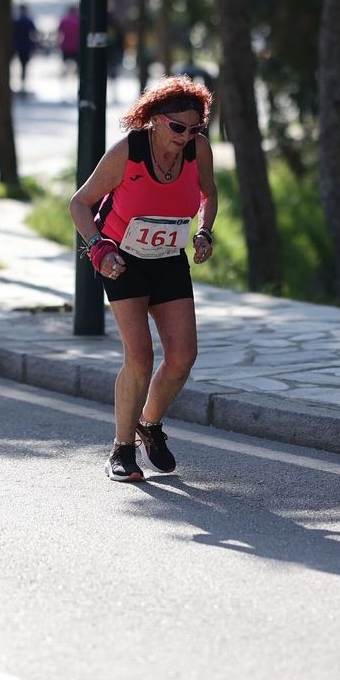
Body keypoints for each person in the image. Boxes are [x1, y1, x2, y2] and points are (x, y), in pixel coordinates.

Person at [69, 77, 218, 482]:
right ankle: (121, 449)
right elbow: (80, 203)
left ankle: (149, 424)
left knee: (183, 356)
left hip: (169, 258)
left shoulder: (196, 150)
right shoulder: (129, 152)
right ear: (154, 120)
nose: (186, 137)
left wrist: (204, 232)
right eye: (177, 128)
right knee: (140, 356)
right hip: (123, 260)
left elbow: (209, 193)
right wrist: (98, 247)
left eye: (194, 129)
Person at [12, 5, 39, 90]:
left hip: (19, 46)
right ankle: (22, 80)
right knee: (24, 64)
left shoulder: (17, 21)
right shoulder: (28, 21)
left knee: (22, 64)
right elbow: (34, 33)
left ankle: (22, 81)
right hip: (26, 46)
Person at [56, 4, 81, 75]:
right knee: (77, 62)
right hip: (76, 46)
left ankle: (67, 72)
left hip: (66, 45)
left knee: (66, 61)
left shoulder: (64, 20)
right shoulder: (78, 20)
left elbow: (59, 33)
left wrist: (58, 43)